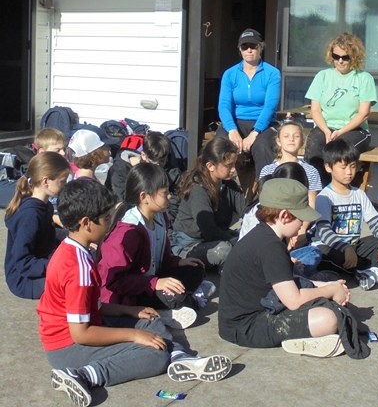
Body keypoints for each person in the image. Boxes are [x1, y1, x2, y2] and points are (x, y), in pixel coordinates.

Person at [37, 180, 231, 407]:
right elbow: (81, 334)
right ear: (87, 223)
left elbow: (93, 306)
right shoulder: (77, 268)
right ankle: (83, 375)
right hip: (68, 348)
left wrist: (130, 311)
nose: (110, 223)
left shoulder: (76, 249)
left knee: (149, 320)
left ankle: (179, 357)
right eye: (106, 218)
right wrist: (134, 335)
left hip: (86, 327)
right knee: (154, 355)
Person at [219, 178, 356, 358]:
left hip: (252, 314)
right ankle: (299, 339)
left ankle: (304, 333)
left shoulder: (266, 235)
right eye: (301, 218)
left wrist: (329, 286)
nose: (303, 224)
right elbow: (293, 301)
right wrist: (330, 290)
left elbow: (287, 281)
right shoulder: (270, 247)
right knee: (329, 318)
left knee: (332, 299)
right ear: (284, 216)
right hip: (246, 327)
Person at [98, 163, 214, 311]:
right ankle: (187, 302)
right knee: (174, 297)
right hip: (133, 294)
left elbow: (162, 259)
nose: (169, 196)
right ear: (144, 197)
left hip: (154, 279)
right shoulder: (128, 231)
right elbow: (114, 281)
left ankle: (186, 298)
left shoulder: (160, 217)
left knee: (196, 269)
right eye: (164, 193)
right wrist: (154, 283)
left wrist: (178, 262)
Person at [311, 138, 378, 290]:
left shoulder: (359, 194)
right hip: (331, 247)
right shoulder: (324, 197)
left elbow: (375, 222)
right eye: (343, 167)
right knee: (325, 256)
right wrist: (345, 247)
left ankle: (373, 272)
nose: (349, 172)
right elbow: (324, 231)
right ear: (328, 167)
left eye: (352, 166)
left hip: (354, 246)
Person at [304, 32, 376, 185]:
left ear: (354, 57)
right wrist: (326, 130)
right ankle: (317, 190)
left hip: (354, 130)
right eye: (336, 57)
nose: (340, 61)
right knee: (314, 149)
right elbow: (315, 110)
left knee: (339, 151)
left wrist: (340, 132)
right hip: (325, 128)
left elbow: (364, 114)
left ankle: (338, 191)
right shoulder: (322, 76)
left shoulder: (364, 78)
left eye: (345, 57)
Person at [171, 136, 245, 274]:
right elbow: (209, 230)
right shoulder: (198, 189)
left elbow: (245, 210)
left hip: (215, 238)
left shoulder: (229, 185)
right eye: (229, 165)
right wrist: (235, 240)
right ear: (210, 166)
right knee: (224, 250)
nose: (233, 170)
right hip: (189, 245)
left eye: (234, 164)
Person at [216, 28, 281, 179]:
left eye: (253, 46)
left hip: (263, 123)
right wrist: (232, 129)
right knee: (219, 146)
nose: (249, 50)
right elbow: (224, 105)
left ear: (261, 47)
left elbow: (270, 106)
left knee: (262, 146)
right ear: (240, 49)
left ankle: (265, 188)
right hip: (236, 121)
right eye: (244, 46)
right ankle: (219, 187)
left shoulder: (272, 73)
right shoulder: (230, 74)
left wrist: (255, 133)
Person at [4, 152, 71, 299]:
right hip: (24, 280)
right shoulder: (30, 215)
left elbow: (46, 237)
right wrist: (56, 265)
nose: (65, 185)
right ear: (45, 181)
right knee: (74, 280)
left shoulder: (45, 206)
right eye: (62, 181)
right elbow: (23, 261)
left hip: (42, 264)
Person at [239, 162, 323, 279]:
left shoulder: (280, 210)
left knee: (313, 252)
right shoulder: (261, 214)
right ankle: (303, 280)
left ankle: (300, 277)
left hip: (278, 257)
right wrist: (289, 263)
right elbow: (265, 255)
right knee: (294, 272)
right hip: (259, 265)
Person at [259, 121, 323, 248]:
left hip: (302, 223)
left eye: (296, 136)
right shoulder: (268, 170)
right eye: (286, 136)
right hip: (275, 222)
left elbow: (312, 201)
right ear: (278, 141)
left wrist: (302, 229)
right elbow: (264, 202)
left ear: (302, 142)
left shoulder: (311, 171)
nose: (291, 139)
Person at [105, 131, 181, 222]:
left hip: (162, 221)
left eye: (162, 162)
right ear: (143, 156)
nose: (158, 166)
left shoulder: (172, 173)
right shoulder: (121, 170)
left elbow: (174, 202)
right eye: (154, 162)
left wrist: (166, 222)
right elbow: (126, 201)